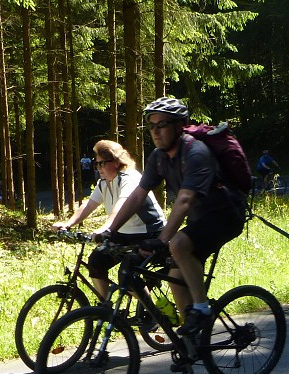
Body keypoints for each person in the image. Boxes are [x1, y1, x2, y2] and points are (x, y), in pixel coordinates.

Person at [105, 96, 246, 340]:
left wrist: (161, 239)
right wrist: (111, 230)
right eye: (151, 125)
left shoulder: (196, 153)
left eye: (162, 124)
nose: (156, 131)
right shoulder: (159, 156)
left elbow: (184, 201)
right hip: (200, 220)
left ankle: (201, 309)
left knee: (177, 244)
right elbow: (137, 196)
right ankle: (191, 342)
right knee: (174, 274)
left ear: (180, 125)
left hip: (225, 215)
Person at [54, 140, 165, 298]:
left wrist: (105, 229)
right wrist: (68, 224)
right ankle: (105, 308)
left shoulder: (130, 178)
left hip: (149, 234)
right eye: (96, 164)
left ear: (117, 162)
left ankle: (153, 313)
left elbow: (121, 206)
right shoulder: (104, 183)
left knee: (126, 275)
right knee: (96, 263)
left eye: (102, 163)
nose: (98, 168)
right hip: (124, 233)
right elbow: (89, 205)